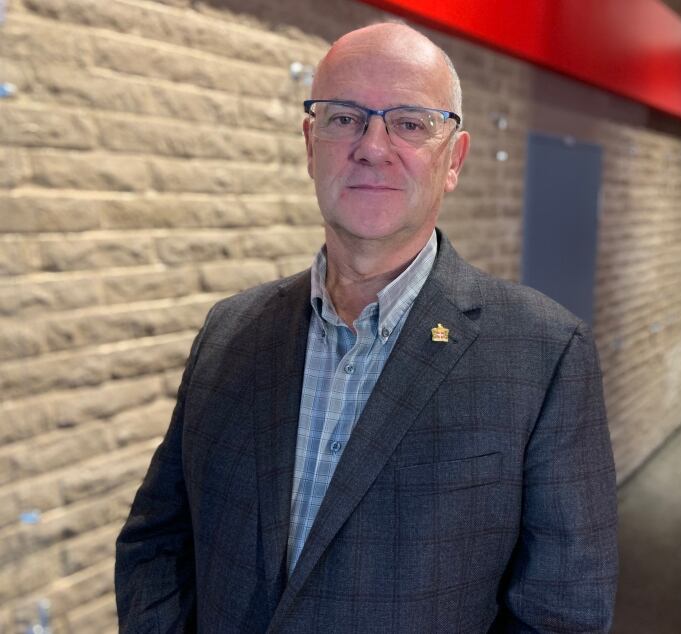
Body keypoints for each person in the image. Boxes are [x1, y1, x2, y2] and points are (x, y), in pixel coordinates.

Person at [115, 22, 618, 633]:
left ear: (453, 158)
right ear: (310, 144)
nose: (372, 147)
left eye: (410, 123)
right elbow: (156, 542)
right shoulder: (230, 330)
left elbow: (562, 612)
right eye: (344, 117)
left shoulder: (544, 356)